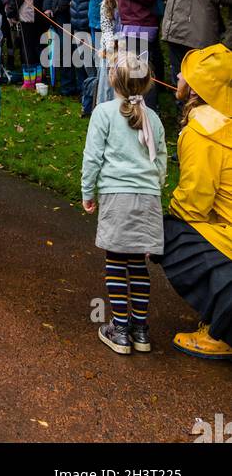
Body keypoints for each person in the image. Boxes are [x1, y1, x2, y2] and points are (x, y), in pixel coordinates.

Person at [81, 50, 166, 355]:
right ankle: (140, 330)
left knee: (116, 262)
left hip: (117, 196)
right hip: (147, 199)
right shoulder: (153, 117)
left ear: (113, 81)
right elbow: (162, 160)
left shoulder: (103, 113)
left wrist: (87, 193)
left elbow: (92, 158)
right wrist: (156, 187)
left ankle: (119, 330)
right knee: (138, 265)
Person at [161, 43, 232, 358]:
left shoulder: (202, 129)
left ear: (197, 88)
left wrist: (164, 219)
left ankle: (223, 330)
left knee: (168, 233)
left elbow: (195, 200)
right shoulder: (224, 118)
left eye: (185, 74)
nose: (177, 74)